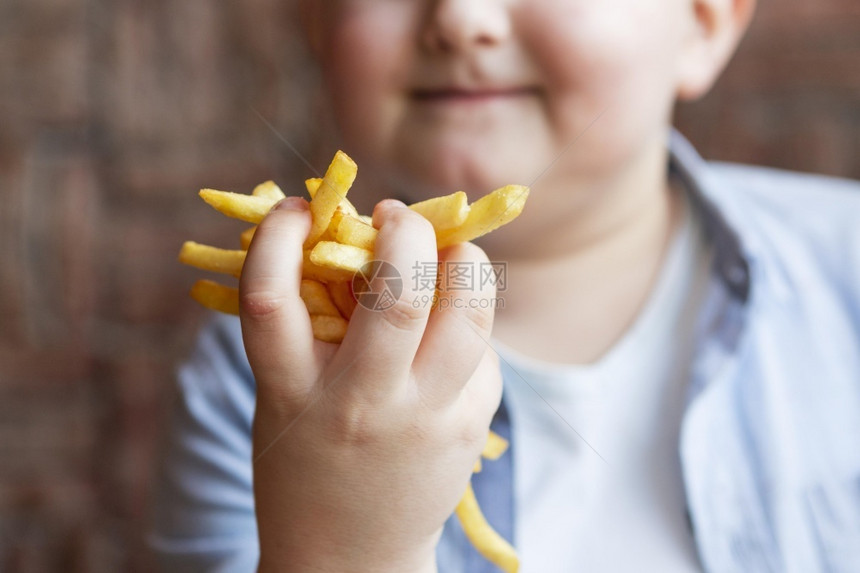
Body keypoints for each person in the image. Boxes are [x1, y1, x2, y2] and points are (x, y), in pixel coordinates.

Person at [149, 0, 860, 571]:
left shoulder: (845, 266)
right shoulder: (250, 381)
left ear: (702, 23)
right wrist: (344, 550)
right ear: (316, 21)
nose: (461, 16)